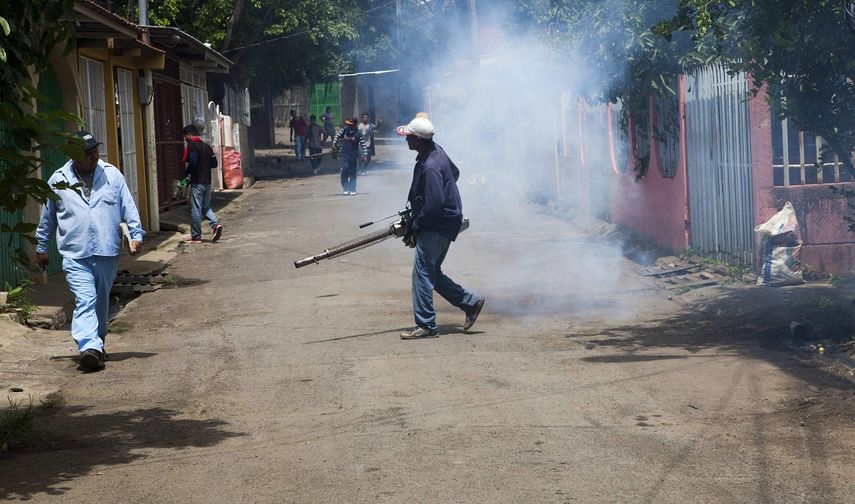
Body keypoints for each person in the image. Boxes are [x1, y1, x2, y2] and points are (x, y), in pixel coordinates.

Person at [35, 131, 144, 371]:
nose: (94, 156)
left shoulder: (112, 175)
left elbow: (128, 206)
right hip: (75, 253)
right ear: (73, 156)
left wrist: (136, 235)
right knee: (86, 299)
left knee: (101, 302)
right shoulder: (58, 180)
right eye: (88, 153)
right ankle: (89, 346)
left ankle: (97, 343)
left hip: (106, 251)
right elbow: (48, 217)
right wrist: (41, 247)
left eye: (95, 150)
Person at [396, 115, 485, 340]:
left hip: (438, 224)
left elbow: (434, 204)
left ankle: (426, 325)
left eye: (409, 137)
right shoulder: (436, 152)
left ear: (418, 140)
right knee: (432, 273)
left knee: (422, 275)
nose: (406, 140)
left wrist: (416, 226)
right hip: (447, 221)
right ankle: (471, 302)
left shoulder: (431, 166)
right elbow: (454, 173)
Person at [182, 125, 223, 244]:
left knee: (196, 209)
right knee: (206, 207)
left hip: (197, 182)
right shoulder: (207, 147)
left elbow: (193, 162)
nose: (185, 139)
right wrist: (204, 165)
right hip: (207, 182)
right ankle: (215, 225)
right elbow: (214, 163)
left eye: (185, 136)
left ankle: (196, 237)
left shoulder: (192, 146)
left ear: (189, 134)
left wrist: (187, 173)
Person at [332, 118, 368, 195]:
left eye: (350, 124)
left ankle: (353, 189)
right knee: (344, 171)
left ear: (355, 125)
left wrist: (365, 155)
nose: (348, 125)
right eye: (348, 124)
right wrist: (334, 144)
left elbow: (363, 145)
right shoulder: (344, 130)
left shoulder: (358, 134)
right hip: (344, 155)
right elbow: (337, 136)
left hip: (353, 156)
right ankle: (346, 188)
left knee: (353, 173)